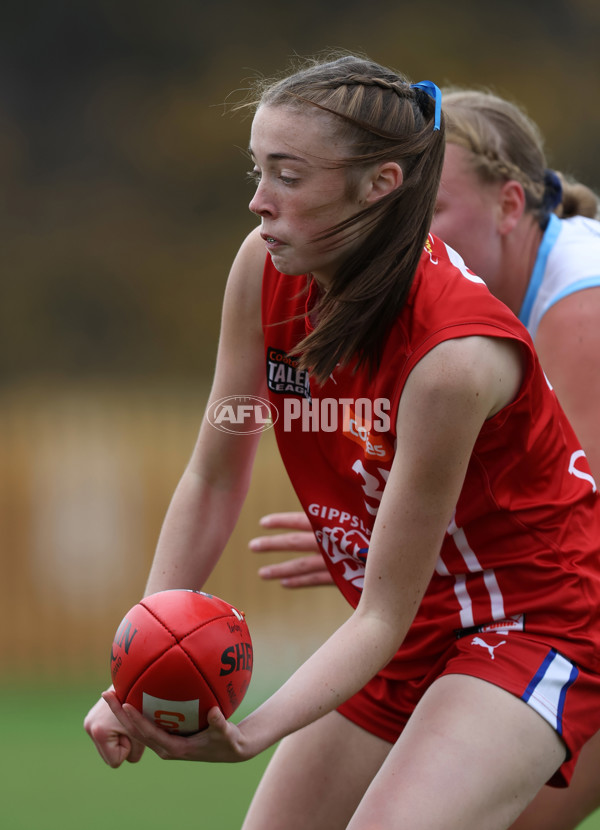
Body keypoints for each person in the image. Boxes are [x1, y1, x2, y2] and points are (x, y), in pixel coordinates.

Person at [84, 55, 600, 830]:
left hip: (534, 620)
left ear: (381, 184)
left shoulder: (454, 358)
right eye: (257, 171)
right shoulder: (262, 269)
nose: (259, 203)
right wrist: (137, 666)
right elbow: (215, 476)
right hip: (413, 619)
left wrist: (254, 730)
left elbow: (379, 618)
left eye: (287, 176)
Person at [249, 87, 600, 830]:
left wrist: (399, 539)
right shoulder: (412, 300)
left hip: (560, 612)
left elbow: (573, 523)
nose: (407, 228)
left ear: (511, 206)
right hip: (473, 608)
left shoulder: (579, 304)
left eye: (430, 210)